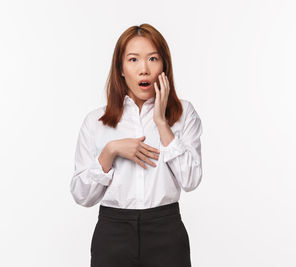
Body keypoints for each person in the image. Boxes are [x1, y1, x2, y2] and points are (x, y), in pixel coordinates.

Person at [70, 23, 203, 267]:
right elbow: (81, 195)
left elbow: (191, 180)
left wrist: (162, 124)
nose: (144, 69)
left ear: (164, 65)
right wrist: (110, 152)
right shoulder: (96, 122)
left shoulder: (184, 114)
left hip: (166, 231)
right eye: (133, 60)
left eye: (153, 58)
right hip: (113, 233)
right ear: (120, 68)